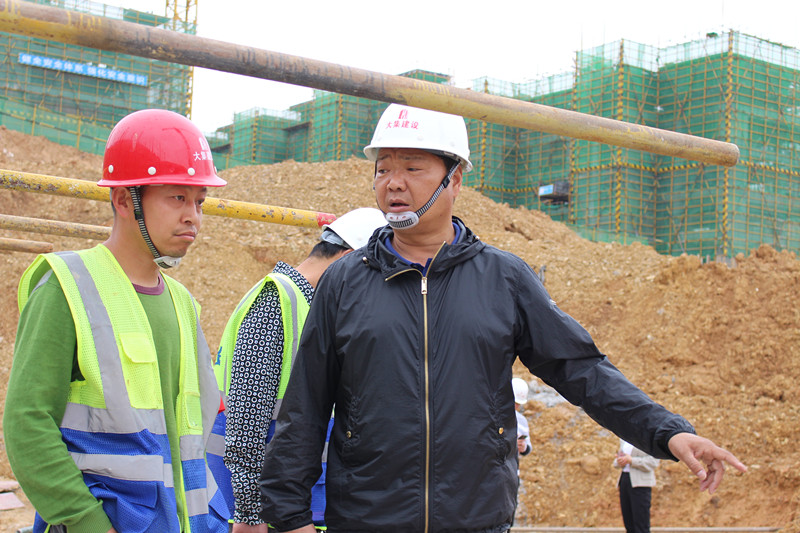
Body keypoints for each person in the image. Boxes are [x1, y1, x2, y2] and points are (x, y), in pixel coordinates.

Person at [258, 103, 747, 533]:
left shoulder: (503, 278)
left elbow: (580, 369)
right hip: (366, 520)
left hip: (477, 519)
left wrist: (667, 431)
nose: (393, 182)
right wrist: (290, 518)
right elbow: (305, 406)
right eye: (383, 168)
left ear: (454, 179)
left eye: (412, 167)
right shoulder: (346, 281)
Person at [4, 109, 230, 533]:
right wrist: (88, 523)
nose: (193, 216)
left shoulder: (183, 304)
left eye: (199, 201)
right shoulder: (68, 288)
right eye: (177, 198)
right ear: (124, 200)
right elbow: (27, 423)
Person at [210, 208, 386, 533]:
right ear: (347, 259)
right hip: (253, 516)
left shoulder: (316, 308)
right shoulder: (276, 301)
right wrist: (250, 515)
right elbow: (246, 420)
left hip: (297, 511)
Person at [614, 439, 660, 533]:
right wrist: (620, 460)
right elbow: (616, 462)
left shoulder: (649, 438)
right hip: (625, 479)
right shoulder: (624, 438)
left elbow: (653, 462)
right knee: (628, 523)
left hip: (641, 483)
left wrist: (632, 460)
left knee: (641, 524)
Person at [512, 377, 531, 457]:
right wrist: (511, 444)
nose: (516, 406)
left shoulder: (521, 420)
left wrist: (524, 447)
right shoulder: (492, 416)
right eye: (514, 402)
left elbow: (528, 445)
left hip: (512, 463)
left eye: (518, 403)